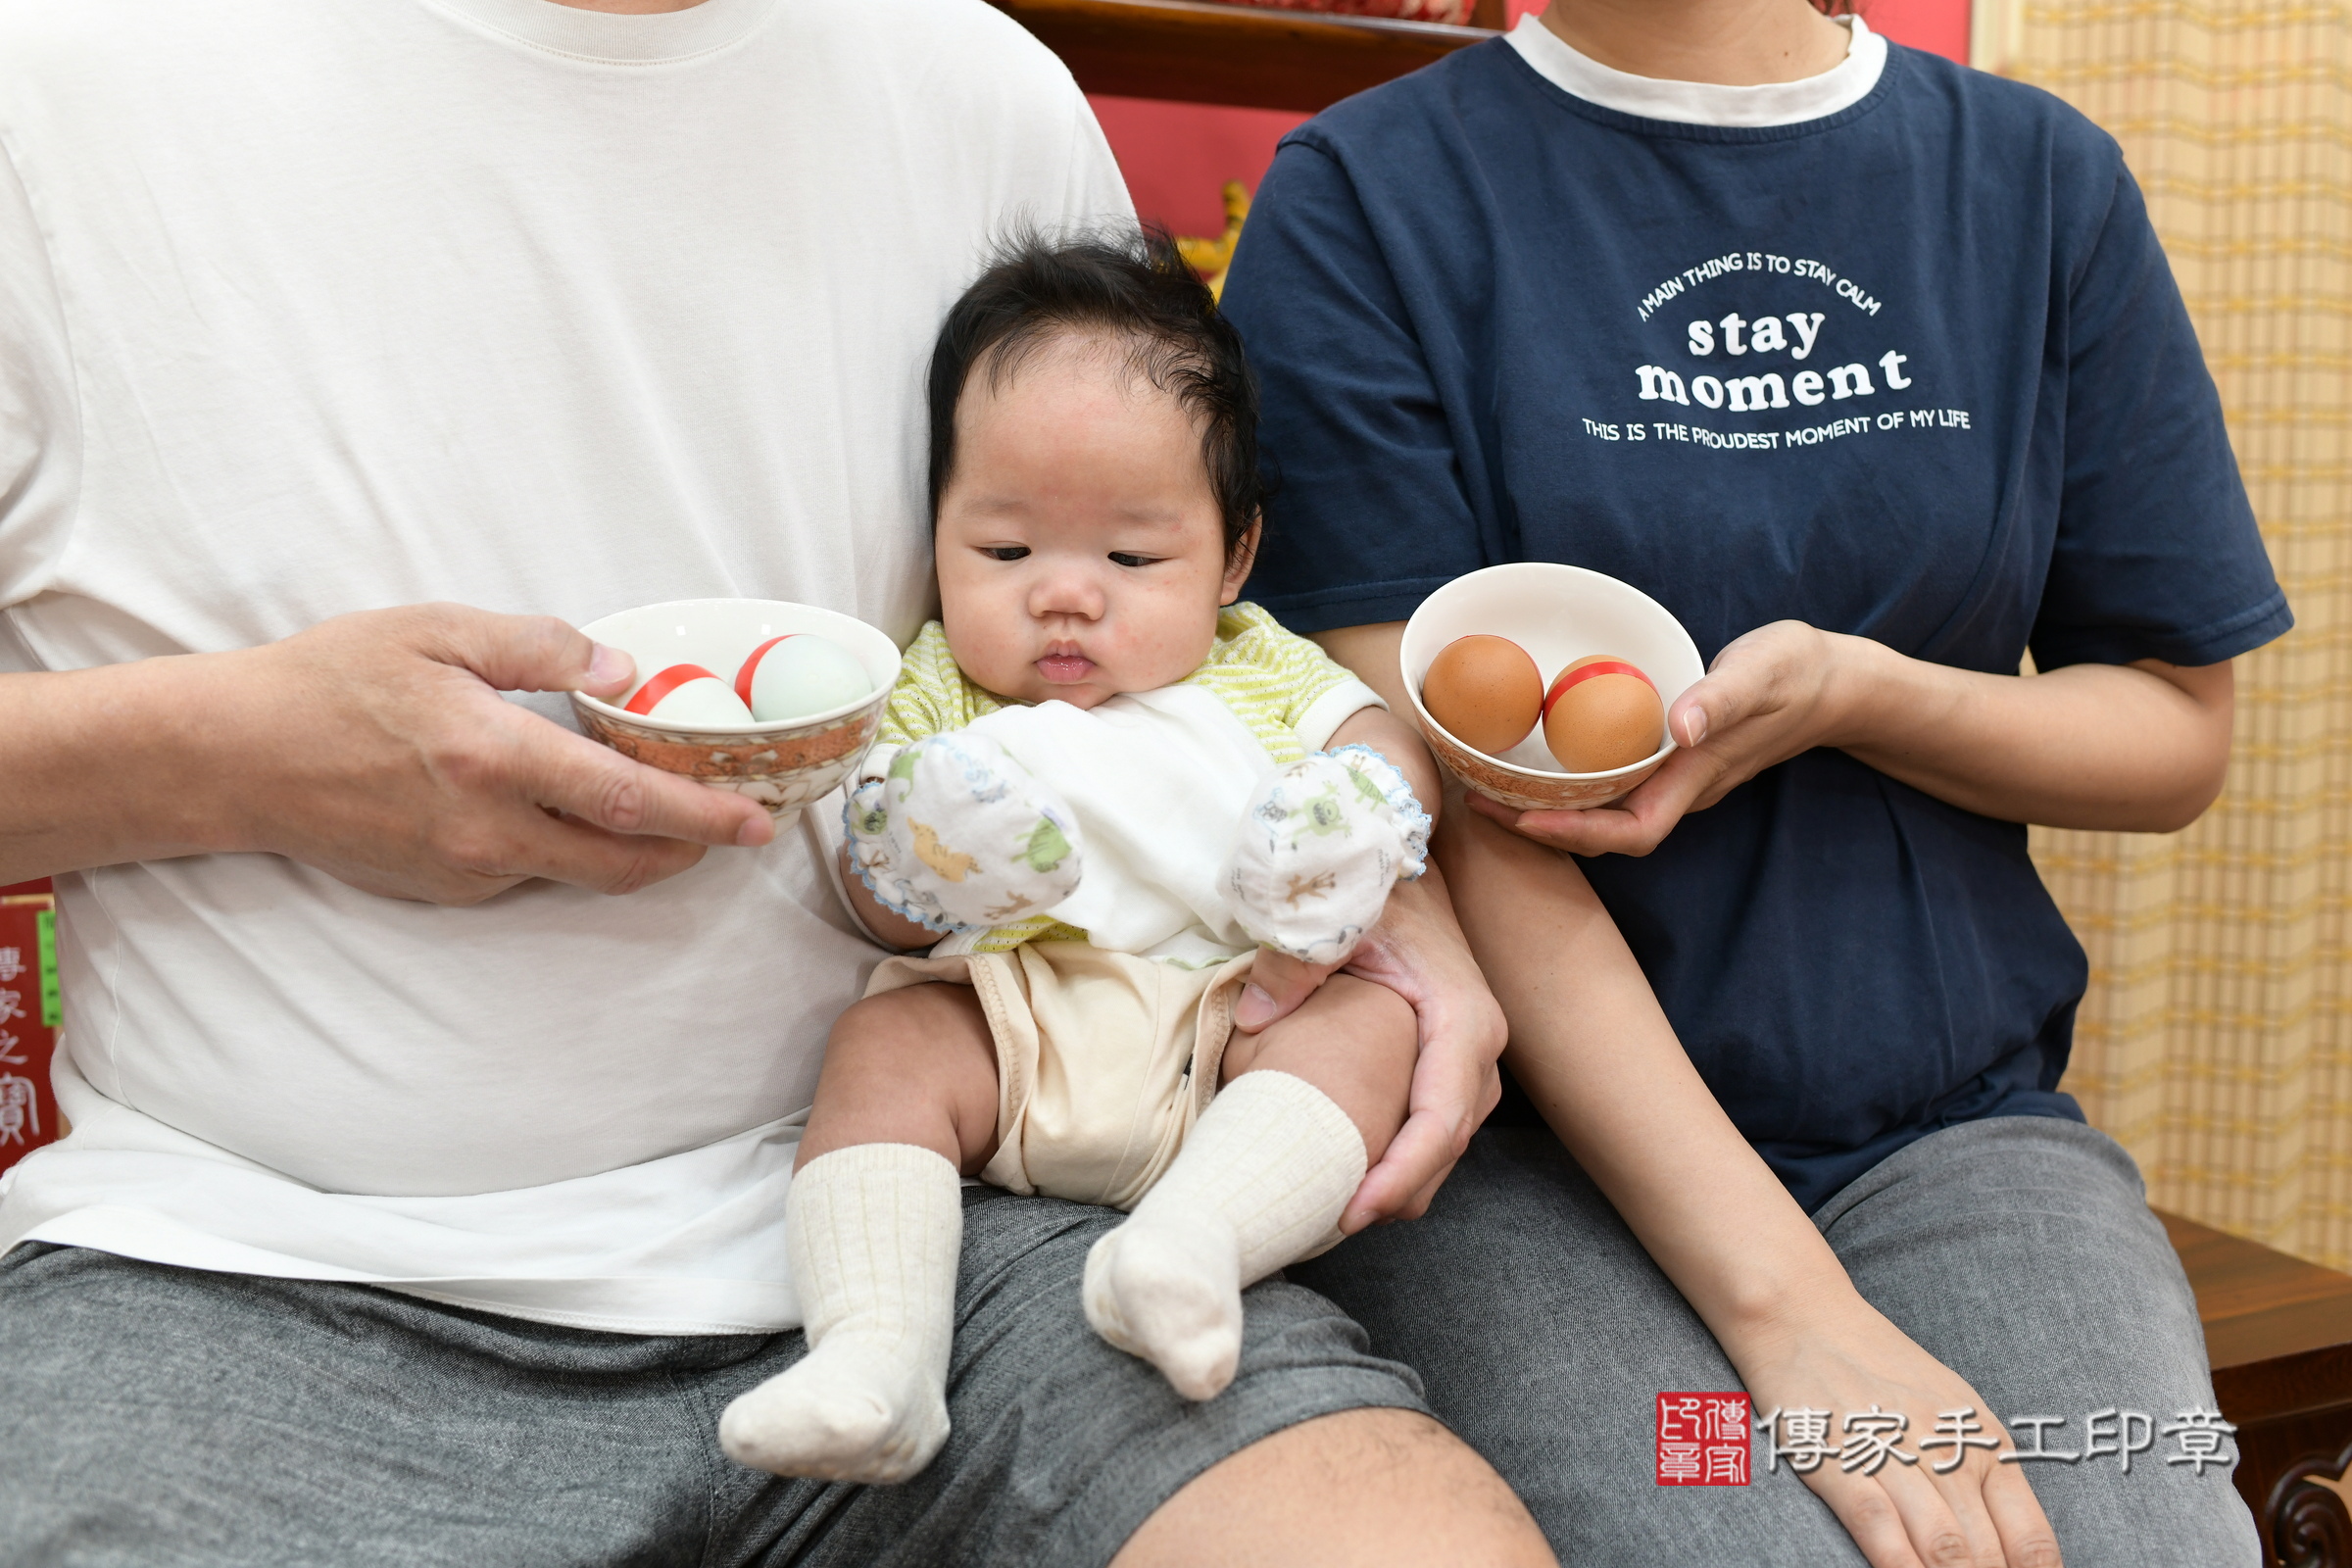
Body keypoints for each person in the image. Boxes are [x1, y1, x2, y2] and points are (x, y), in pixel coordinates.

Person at [0, 3, 1549, 1563]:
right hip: (234, 1270)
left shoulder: (981, 93)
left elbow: (1179, 628)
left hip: (994, 1224)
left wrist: (1380, 883)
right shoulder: (65, 84)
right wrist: (234, 756)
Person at [1218, 0, 2287, 1564]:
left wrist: (1861, 694)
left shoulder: (2038, 182)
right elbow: (1418, 798)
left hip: (1948, 1127)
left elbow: (2174, 733)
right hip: (1512, 1156)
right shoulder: (1367, 198)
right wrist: (1790, 1309)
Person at [721, 233, 1442, 1484]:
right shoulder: (934, 685)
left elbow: (1384, 754)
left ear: (1233, 557)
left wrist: (1349, 820)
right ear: (934, 532)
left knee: (1373, 1025)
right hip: (1009, 1020)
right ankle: (873, 1356)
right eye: (1005, 552)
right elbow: (871, 890)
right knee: (881, 1046)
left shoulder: (1256, 664)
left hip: (1229, 1029)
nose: (1065, 595)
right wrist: (927, 868)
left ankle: (1191, 1245)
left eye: (1130, 557)